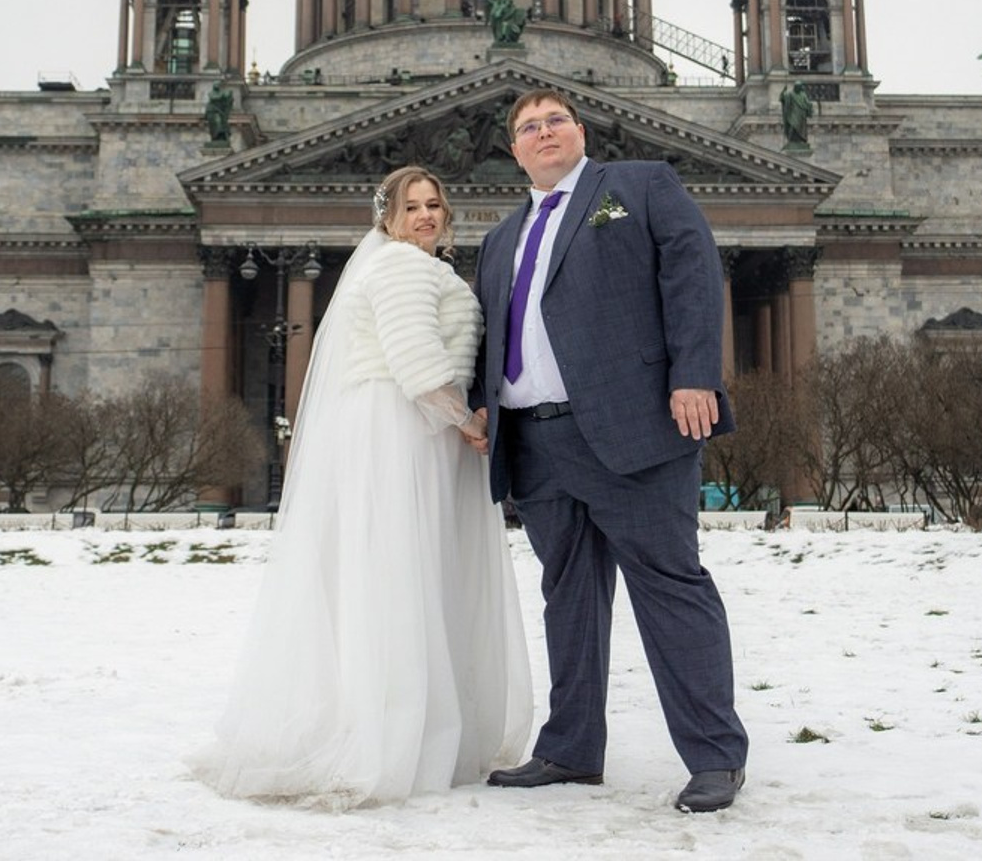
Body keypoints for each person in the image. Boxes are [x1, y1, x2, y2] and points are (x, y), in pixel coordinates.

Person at [193, 166, 532, 807]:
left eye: (435, 204)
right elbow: (415, 361)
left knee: (395, 577)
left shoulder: (416, 268)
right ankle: (392, 737)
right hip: (407, 428)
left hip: (410, 428)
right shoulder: (403, 268)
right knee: (402, 576)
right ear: (388, 217)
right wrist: (467, 422)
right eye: (412, 207)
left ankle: (399, 727)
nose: (427, 215)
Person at [472, 88, 749, 813]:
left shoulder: (637, 185)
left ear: (579, 131)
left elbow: (691, 271)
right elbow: (494, 339)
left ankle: (715, 757)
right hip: (535, 441)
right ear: (515, 150)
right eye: (528, 127)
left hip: (631, 430)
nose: (543, 133)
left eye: (554, 120)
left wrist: (695, 374)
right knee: (568, 596)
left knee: (669, 585)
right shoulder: (502, 238)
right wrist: (483, 411)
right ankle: (569, 749)